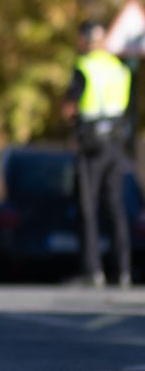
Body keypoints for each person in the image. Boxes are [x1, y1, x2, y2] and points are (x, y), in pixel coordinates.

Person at [61, 19, 133, 289]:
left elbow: (70, 105)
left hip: (91, 145)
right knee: (115, 207)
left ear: (83, 40)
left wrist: (68, 116)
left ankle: (93, 271)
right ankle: (123, 270)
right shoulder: (119, 68)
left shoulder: (84, 67)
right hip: (115, 144)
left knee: (88, 208)